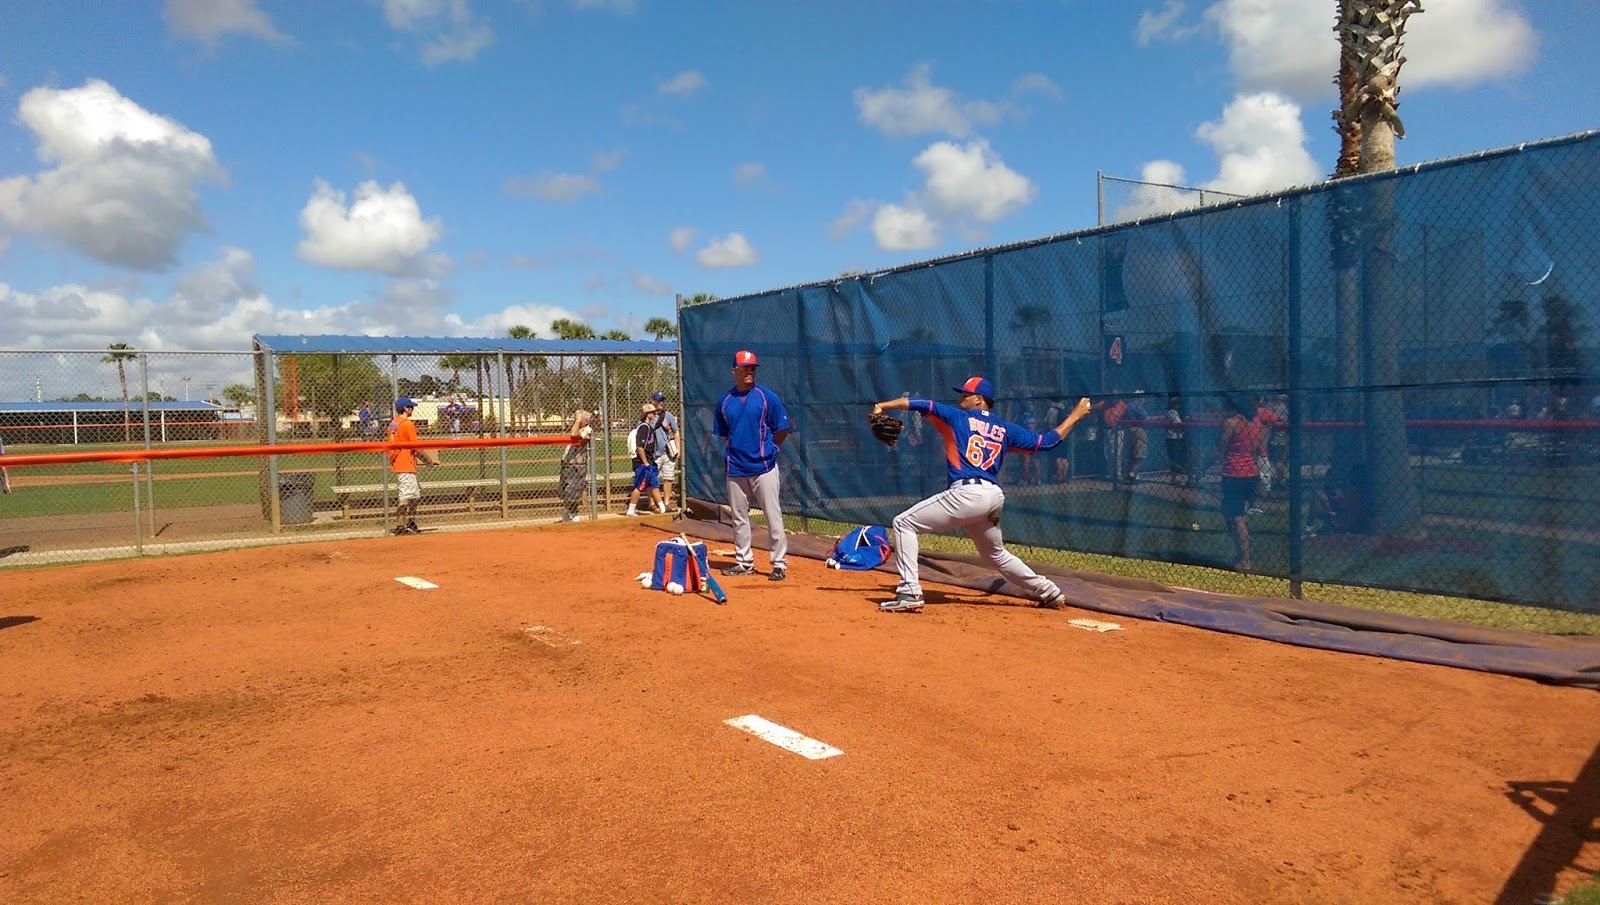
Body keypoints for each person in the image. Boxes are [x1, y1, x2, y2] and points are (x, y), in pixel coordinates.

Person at [872, 377, 1093, 613]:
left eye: (965, 394)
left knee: (903, 523)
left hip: (967, 494)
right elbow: (1046, 442)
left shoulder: (957, 417)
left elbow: (921, 404)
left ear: (978, 399)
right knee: (996, 555)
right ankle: (1049, 591)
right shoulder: (1006, 429)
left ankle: (909, 591)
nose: (961, 398)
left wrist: (882, 406)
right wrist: (1075, 416)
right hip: (993, 496)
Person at [714, 350, 791, 581]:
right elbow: (724, 434)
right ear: (734, 371)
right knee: (739, 518)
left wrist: (771, 450)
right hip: (736, 468)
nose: (749, 371)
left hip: (763, 467)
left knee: (772, 516)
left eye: (752, 368)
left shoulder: (767, 397)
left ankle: (779, 564)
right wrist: (736, 450)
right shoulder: (725, 401)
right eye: (745, 367)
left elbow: (782, 429)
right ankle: (744, 562)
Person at [1211, 394, 1266, 572]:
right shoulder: (1255, 422)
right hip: (1251, 472)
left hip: (1235, 473)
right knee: (1227, 511)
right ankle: (1240, 552)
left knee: (1236, 516)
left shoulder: (1232, 423)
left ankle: (1245, 560)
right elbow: (1259, 446)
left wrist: (1205, 465)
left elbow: (1220, 447)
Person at [388, 397, 441, 535]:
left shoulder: (393, 423)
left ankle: (411, 523)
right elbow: (416, 447)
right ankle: (400, 527)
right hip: (405, 464)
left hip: (400, 462)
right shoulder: (407, 424)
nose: (412, 409)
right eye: (411, 407)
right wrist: (428, 461)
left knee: (415, 496)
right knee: (405, 497)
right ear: (406, 409)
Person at [625, 403, 665, 517]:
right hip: (643, 463)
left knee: (654, 485)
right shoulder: (644, 427)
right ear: (646, 414)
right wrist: (645, 462)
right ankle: (630, 510)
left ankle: (662, 508)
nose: (654, 414)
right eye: (652, 412)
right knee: (639, 486)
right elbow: (640, 447)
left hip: (650, 462)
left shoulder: (649, 427)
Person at [558, 409, 593, 522]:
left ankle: (569, 513)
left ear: (585, 420)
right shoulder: (576, 427)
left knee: (573, 491)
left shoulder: (587, 430)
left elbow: (574, 435)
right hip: (567, 463)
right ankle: (571, 513)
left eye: (578, 418)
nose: (575, 419)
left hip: (578, 465)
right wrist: (577, 421)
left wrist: (578, 420)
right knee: (566, 491)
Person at [650, 390, 681, 511]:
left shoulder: (668, 416)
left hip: (667, 453)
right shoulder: (649, 415)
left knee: (668, 478)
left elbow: (676, 432)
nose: (661, 403)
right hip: (653, 453)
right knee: (652, 479)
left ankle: (666, 502)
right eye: (659, 400)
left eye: (662, 400)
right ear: (653, 401)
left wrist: (678, 448)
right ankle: (652, 503)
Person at [1092, 395, 1127, 484]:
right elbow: (1094, 407)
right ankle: (1111, 474)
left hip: (1118, 431)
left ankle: (1117, 475)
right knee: (1108, 452)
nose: (1114, 398)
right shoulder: (1106, 403)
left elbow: (1127, 418)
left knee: (1117, 453)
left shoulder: (1123, 405)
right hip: (1107, 430)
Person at [1124, 390, 1150, 484]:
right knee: (1140, 454)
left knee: (1132, 454)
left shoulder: (1129, 405)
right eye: (1143, 398)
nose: (1145, 400)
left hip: (1129, 430)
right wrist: (1161, 417)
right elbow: (1147, 418)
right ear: (1139, 397)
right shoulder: (1137, 405)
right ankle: (1131, 475)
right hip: (1138, 430)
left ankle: (1133, 474)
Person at [1164, 395, 1188, 486]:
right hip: (1173, 438)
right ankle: (1173, 479)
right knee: (1174, 458)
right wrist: (1185, 422)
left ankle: (1175, 478)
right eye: (1177, 404)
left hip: (1176, 437)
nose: (1178, 406)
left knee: (1177, 458)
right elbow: (1178, 423)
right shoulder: (1172, 412)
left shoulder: (1177, 412)